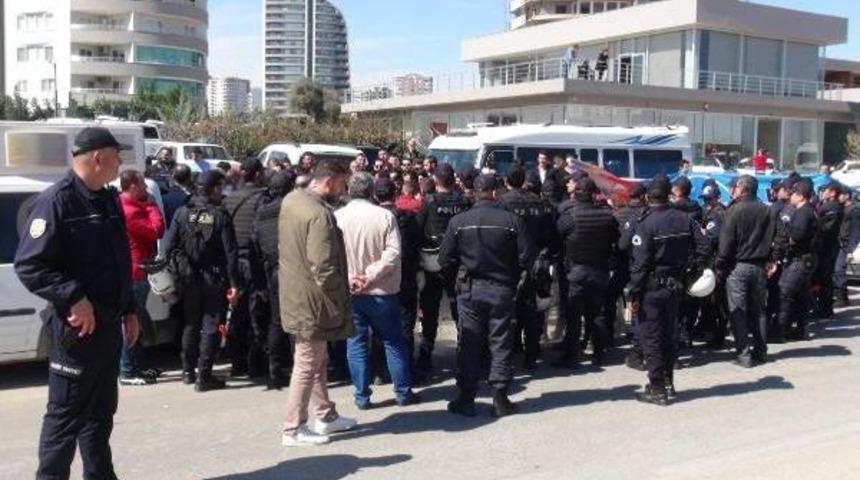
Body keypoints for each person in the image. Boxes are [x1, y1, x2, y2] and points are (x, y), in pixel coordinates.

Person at [15, 127, 138, 479]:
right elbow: (30, 264)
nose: (121, 164)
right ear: (98, 158)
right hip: (76, 334)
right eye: (117, 156)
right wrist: (73, 296)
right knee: (65, 417)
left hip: (108, 328)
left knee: (100, 416)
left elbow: (117, 262)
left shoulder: (108, 199)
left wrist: (129, 309)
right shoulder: (57, 201)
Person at [439, 174, 535, 417]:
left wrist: (460, 273)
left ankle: (467, 397)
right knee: (500, 343)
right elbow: (527, 257)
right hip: (501, 289)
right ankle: (500, 398)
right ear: (494, 193)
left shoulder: (458, 222)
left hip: (470, 289)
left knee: (470, 343)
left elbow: (444, 259)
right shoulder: (512, 221)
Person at [278, 159, 356, 446]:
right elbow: (323, 267)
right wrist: (342, 295)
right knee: (308, 363)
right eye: (342, 183)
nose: (344, 188)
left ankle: (325, 415)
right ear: (329, 181)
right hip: (314, 301)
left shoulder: (292, 200)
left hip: (296, 295)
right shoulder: (319, 215)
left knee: (316, 360)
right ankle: (293, 428)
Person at [335, 173, 421, 409]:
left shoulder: (337, 217)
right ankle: (403, 392)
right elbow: (393, 253)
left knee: (357, 343)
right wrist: (371, 275)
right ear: (371, 191)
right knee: (393, 341)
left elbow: (330, 255)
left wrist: (353, 278)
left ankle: (362, 396)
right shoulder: (384, 216)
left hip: (352, 291)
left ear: (350, 191)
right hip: (382, 292)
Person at [626, 175, 708, 406]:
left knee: (651, 338)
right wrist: (692, 271)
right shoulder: (686, 219)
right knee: (668, 335)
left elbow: (640, 264)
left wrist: (634, 292)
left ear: (648, 196)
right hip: (675, 286)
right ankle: (668, 381)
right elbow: (704, 245)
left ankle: (658, 389)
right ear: (669, 194)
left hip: (651, 289)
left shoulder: (646, 223)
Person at [163, 170, 240, 391]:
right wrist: (234, 284)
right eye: (221, 187)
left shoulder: (181, 212)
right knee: (211, 325)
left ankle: (188, 371)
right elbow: (230, 253)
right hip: (213, 279)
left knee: (190, 323)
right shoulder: (220, 215)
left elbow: (168, 246)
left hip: (187, 278)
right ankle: (204, 376)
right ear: (214, 188)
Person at [554, 177, 619, 368]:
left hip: (576, 271)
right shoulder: (607, 216)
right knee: (597, 314)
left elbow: (557, 238)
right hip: (599, 270)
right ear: (593, 195)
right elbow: (616, 239)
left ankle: (572, 356)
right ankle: (599, 353)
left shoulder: (569, 216)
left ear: (576, 194)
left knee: (574, 315)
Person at [415, 163, 472, 380]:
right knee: (460, 310)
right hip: (458, 262)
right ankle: (464, 353)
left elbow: (418, 230)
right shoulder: (464, 202)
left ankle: (426, 356)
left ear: (436, 180)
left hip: (434, 264)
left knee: (430, 312)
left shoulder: (429, 202)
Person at [500, 167, 558, 369]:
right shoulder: (541, 204)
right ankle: (532, 353)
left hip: (513, 262)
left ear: (507, 181)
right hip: (538, 262)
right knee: (534, 308)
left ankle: (515, 346)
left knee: (512, 307)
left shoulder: (503, 203)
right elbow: (551, 234)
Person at [716, 176, 776, 367]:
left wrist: (719, 266)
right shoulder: (767, 210)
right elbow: (780, 236)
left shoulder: (733, 211)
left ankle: (744, 354)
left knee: (738, 311)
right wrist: (772, 258)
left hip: (738, 266)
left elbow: (725, 245)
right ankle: (761, 351)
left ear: (742, 189)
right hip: (759, 266)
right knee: (759, 311)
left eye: (734, 187)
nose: (731, 190)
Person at [223, 158, 270, 378]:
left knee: (236, 314)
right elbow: (260, 234)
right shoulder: (262, 198)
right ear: (258, 174)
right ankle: (255, 363)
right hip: (253, 263)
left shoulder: (229, 198)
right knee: (255, 315)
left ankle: (237, 361)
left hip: (232, 264)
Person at [118, 169, 165, 385]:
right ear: (133, 187)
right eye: (143, 186)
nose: (147, 190)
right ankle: (127, 370)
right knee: (133, 320)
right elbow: (157, 230)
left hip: (137, 270)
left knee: (140, 319)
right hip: (135, 272)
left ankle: (139, 365)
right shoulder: (130, 211)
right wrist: (152, 207)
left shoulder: (126, 205)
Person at [250, 170, 296, 390]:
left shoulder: (261, 213)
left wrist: (260, 284)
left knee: (277, 322)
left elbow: (255, 250)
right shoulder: (294, 210)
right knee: (299, 322)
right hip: (295, 271)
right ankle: (301, 371)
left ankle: (275, 370)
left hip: (273, 273)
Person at [773, 179, 818, 342]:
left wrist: (786, 240)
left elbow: (796, 236)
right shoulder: (809, 210)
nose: (790, 197)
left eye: (793, 194)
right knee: (801, 296)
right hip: (806, 259)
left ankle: (780, 331)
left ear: (800, 196)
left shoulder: (803, 212)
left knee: (784, 293)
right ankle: (801, 330)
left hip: (799, 260)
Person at [617, 183, 648, 370]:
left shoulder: (626, 215)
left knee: (634, 307)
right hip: (649, 271)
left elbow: (622, 245)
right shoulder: (649, 214)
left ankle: (636, 348)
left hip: (634, 269)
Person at [696, 179, 729, 348]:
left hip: (715, 261)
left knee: (714, 302)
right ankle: (713, 331)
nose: (706, 203)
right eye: (704, 199)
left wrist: (702, 233)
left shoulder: (717, 213)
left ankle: (716, 335)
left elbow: (711, 238)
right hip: (718, 260)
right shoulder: (717, 211)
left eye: (709, 199)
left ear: (716, 198)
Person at [814, 182, 844, 318]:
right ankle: (824, 306)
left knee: (825, 278)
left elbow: (826, 227)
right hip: (826, 246)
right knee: (824, 277)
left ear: (832, 192)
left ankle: (825, 307)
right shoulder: (827, 206)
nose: (823, 192)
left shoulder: (833, 207)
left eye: (826, 190)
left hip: (827, 247)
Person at [836, 186, 860, 306]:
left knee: (839, 270)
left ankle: (843, 297)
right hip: (838, 244)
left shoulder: (854, 210)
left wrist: (851, 250)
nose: (838, 197)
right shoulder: (841, 208)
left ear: (847, 195)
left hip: (845, 246)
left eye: (840, 194)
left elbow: (856, 231)